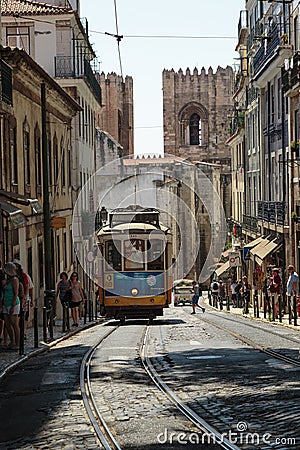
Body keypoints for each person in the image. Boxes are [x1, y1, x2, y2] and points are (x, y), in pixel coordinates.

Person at [1, 262, 20, 349]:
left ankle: (17, 343)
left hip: (13, 303)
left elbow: (16, 293)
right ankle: (12, 341)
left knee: (14, 324)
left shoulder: (15, 280)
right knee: (7, 324)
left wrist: (12, 306)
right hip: (5, 303)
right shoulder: (7, 280)